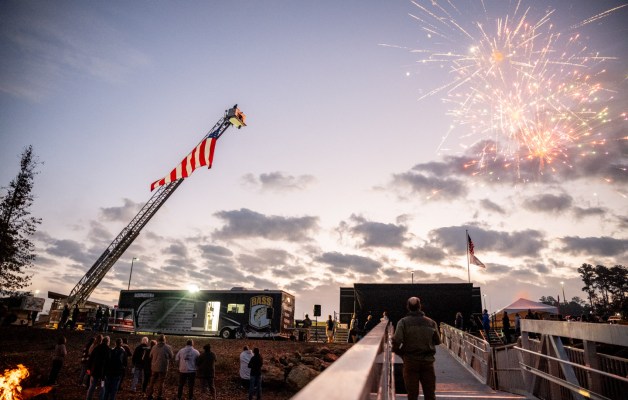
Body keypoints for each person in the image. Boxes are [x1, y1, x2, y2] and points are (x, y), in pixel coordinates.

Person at [392, 297, 441, 400]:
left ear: (408, 307)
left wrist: (402, 354)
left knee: (412, 395)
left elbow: (396, 343)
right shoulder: (431, 322)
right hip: (427, 363)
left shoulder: (403, 322)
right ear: (420, 306)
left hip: (410, 362)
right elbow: (437, 341)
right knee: (430, 394)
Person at [145, 334, 174, 400]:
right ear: (164, 340)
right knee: (161, 382)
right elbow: (171, 356)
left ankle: (150, 395)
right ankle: (159, 396)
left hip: (154, 367)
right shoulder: (168, 347)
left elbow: (150, 356)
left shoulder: (154, 347)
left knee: (152, 381)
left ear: (158, 340)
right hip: (163, 367)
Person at [86, 336, 111, 400]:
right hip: (103, 373)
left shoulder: (97, 348)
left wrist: (88, 368)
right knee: (102, 387)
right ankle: (101, 398)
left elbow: (91, 359)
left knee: (92, 385)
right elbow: (109, 362)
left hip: (95, 371)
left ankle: (88, 398)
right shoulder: (108, 350)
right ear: (108, 342)